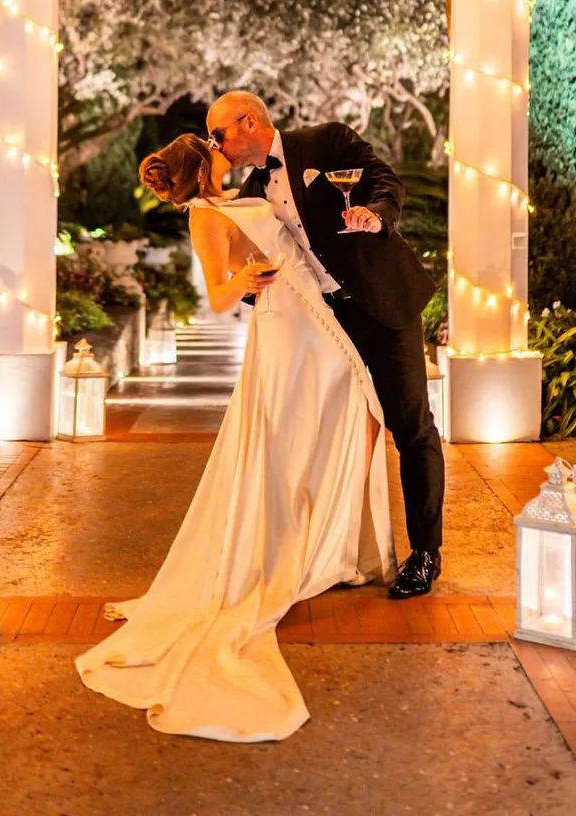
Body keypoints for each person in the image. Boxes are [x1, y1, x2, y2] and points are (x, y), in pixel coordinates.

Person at [75, 133, 395, 742]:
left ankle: (327, 546)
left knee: (348, 413)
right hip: (282, 329)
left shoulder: (241, 195)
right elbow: (220, 297)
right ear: (205, 163)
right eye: (214, 145)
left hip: (311, 320)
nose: (225, 147)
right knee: (291, 438)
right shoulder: (205, 215)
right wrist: (247, 278)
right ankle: (295, 550)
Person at [206, 91, 444, 601]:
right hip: (328, 327)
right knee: (331, 437)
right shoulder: (250, 193)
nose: (215, 144)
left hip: (384, 305)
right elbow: (261, 270)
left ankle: (425, 554)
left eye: (219, 134)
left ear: (249, 122)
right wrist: (251, 285)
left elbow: (386, 181)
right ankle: (335, 552)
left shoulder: (326, 141)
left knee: (410, 426)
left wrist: (375, 216)